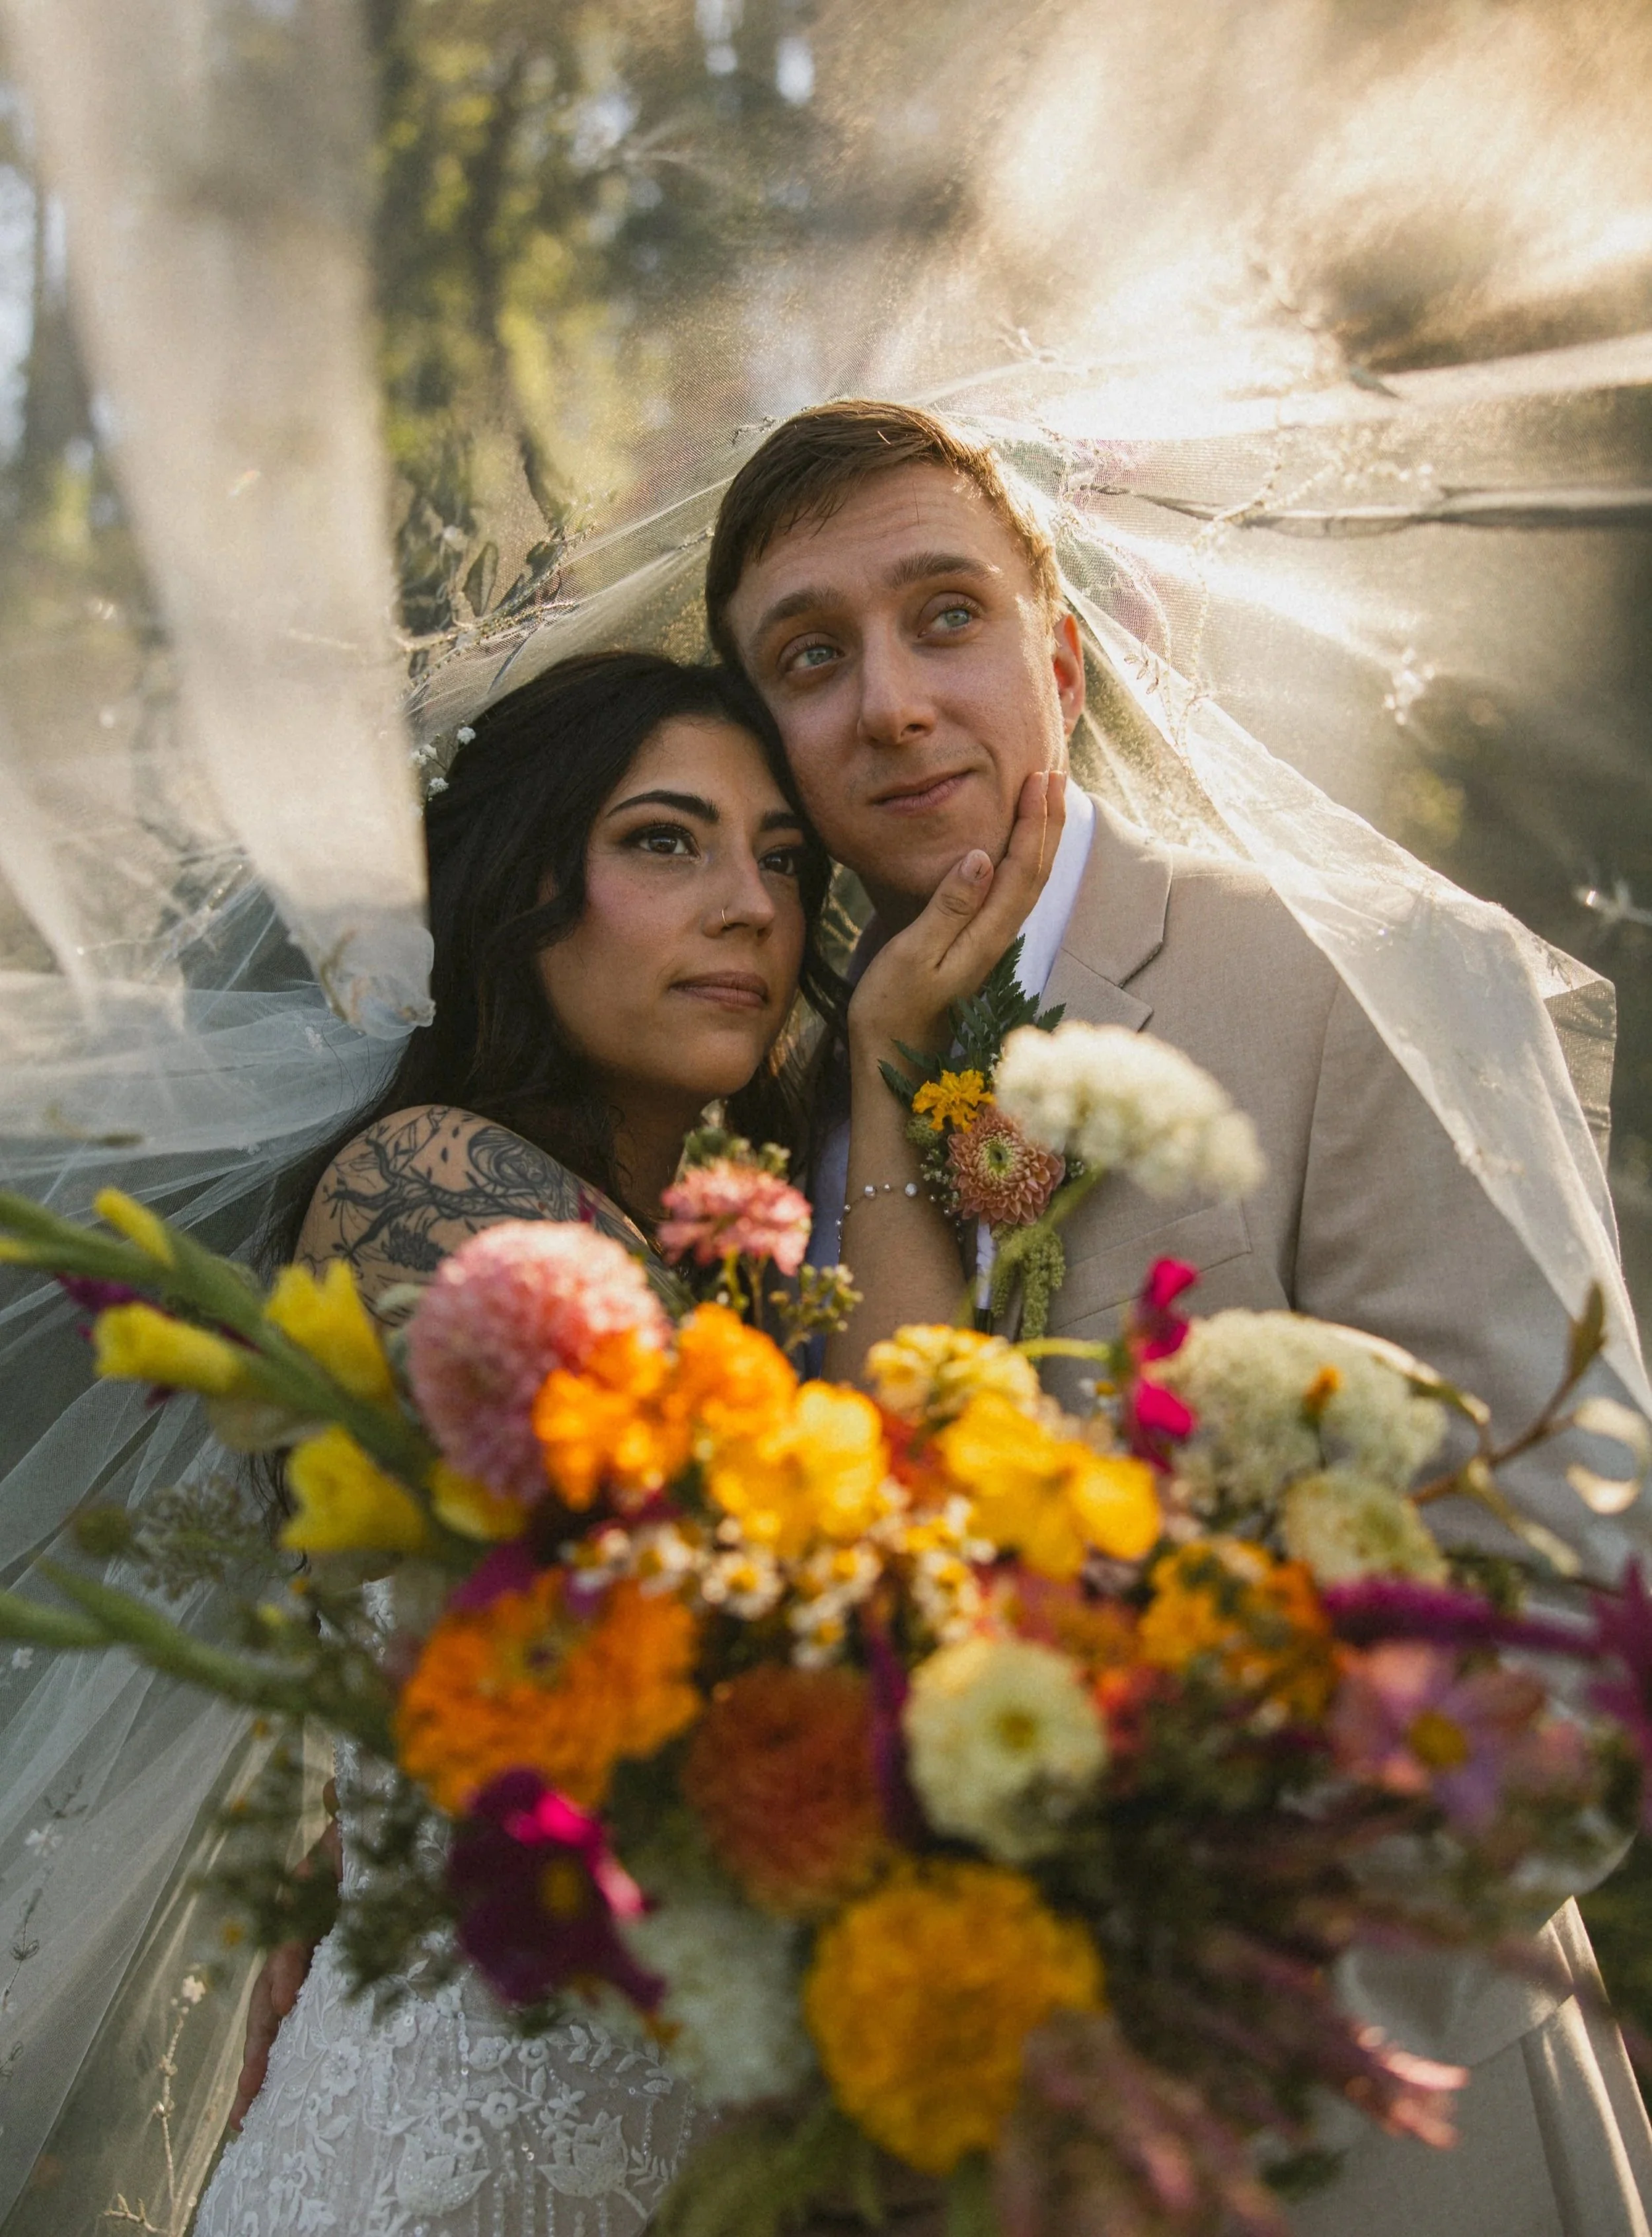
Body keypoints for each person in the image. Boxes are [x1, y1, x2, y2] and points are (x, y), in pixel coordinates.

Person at [702, 398, 1652, 2235]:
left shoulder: (1361, 976)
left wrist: (1189, 2060)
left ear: (1056, 649)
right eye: (810, 660)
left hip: (1354, 2149)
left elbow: (1568, 1629)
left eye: (944, 616)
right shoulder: (788, 1114)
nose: (889, 699)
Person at [198, 645, 1057, 2237]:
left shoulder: (734, 1257)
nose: (749, 904)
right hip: (466, 2149)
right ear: (524, 886)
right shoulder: (432, 1186)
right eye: (664, 840)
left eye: (781, 859)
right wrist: (881, 1067)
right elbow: (841, 1614)